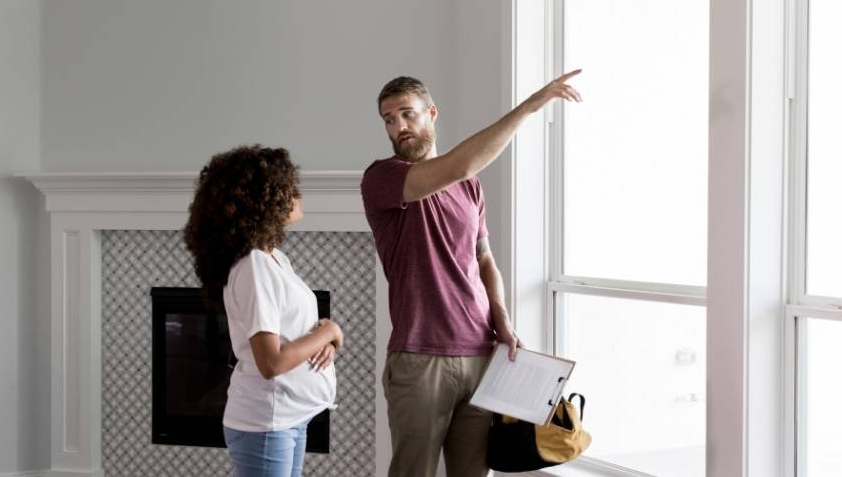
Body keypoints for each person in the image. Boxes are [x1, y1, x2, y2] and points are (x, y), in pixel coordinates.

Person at [361, 71, 582, 477]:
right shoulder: (383, 178)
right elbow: (460, 165)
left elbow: (483, 260)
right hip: (420, 356)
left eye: (407, 115)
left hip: (482, 355)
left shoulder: (471, 189)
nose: (399, 127)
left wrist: (502, 317)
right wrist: (532, 106)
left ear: (431, 113)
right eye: (389, 120)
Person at [183, 145, 344, 477]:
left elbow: (291, 332)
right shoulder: (254, 265)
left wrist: (323, 340)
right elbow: (271, 362)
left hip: (290, 416)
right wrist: (328, 332)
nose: (297, 193)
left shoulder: (274, 259)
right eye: (289, 186)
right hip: (268, 422)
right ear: (265, 198)